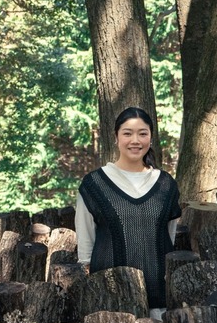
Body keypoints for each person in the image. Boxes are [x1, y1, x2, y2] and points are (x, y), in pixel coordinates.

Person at [76, 107, 182, 312]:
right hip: (110, 299)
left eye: (143, 133)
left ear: (151, 138)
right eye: (127, 133)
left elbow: (168, 235)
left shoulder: (166, 184)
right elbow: (86, 245)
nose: (136, 140)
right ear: (116, 137)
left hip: (158, 300)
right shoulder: (94, 185)